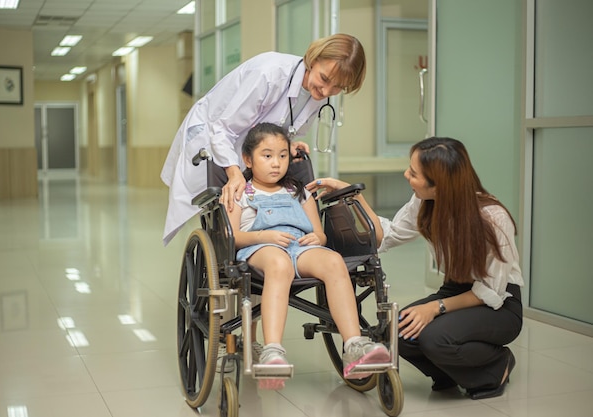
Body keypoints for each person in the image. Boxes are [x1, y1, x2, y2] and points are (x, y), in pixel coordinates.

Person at [307, 137, 523, 400]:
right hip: (456, 289)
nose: (406, 174)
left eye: (414, 173)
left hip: (498, 304)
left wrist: (434, 308)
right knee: (396, 332)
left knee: (434, 338)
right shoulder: (425, 202)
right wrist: (353, 195)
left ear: (439, 184)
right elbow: (386, 236)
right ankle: (449, 373)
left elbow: (490, 292)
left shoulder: (493, 219)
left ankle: (496, 366)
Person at [160, 33, 366, 246]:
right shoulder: (269, 74)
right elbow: (223, 129)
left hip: (251, 152)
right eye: (324, 79)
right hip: (214, 138)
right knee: (228, 212)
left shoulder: (314, 93)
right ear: (313, 60)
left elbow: (276, 125)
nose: (326, 91)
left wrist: (287, 145)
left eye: (338, 88)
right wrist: (233, 173)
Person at [229, 122, 389, 390]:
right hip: (259, 248)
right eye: (267, 156)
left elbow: (319, 233)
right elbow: (232, 236)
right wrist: (263, 237)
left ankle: (353, 345)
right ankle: (272, 350)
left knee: (333, 260)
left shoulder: (298, 191)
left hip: (299, 246)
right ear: (248, 159)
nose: (276, 163)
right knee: (279, 264)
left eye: (282, 156)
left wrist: (318, 238)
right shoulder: (241, 192)